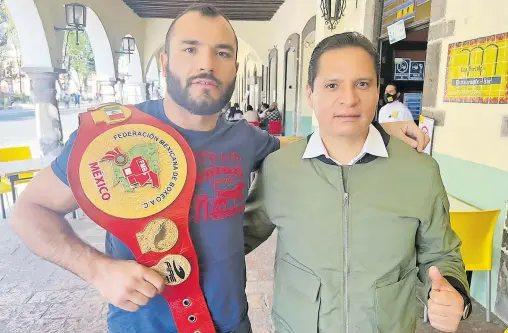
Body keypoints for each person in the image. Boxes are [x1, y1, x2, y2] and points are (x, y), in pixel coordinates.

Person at [10, 5, 428, 333]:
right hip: (143, 327)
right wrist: (97, 269)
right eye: (190, 49)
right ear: (164, 63)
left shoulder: (244, 139)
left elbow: (311, 143)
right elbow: (30, 211)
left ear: (234, 68)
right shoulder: (113, 136)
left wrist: (379, 125)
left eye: (222, 52)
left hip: (230, 325)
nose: (206, 64)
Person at [244, 32, 471, 333]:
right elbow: (236, 238)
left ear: (377, 90)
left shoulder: (420, 171)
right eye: (332, 85)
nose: (349, 99)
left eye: (362, 84)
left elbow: (442, 253)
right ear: (310, 93)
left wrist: (454, 292)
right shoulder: (279, 169)